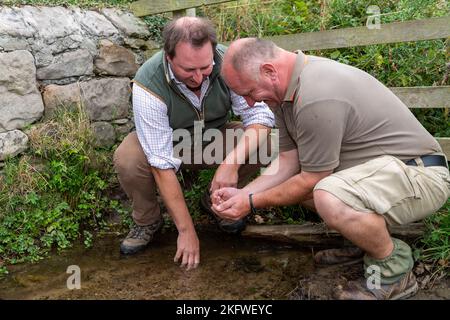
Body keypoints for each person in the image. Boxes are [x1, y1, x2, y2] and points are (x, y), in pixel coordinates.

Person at [213, 38, 450, 299]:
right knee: (301, 189)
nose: (248, 103)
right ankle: (364, 242)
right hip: (385, 176)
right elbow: (289, 162)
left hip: (421, 176)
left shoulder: (316, 93)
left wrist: (251, 202)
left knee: (326, 193)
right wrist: (242, 195)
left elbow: (313, 178)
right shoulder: (282, 96)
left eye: (249, 92)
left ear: (270, 71)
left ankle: (394, 270)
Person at [113, 19, 274, 270]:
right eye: (188, 70)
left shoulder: (229, 63)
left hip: (215, 135)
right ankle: (147, 221)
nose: (198, 77)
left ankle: (216, 202)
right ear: (168, 57)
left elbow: (261, 117)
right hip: (170, 141)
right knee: (128, 156)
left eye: (205, 67)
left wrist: (231, 163)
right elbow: (160, 163)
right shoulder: (148, 82)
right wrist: (186, 232)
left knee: (264, 143)